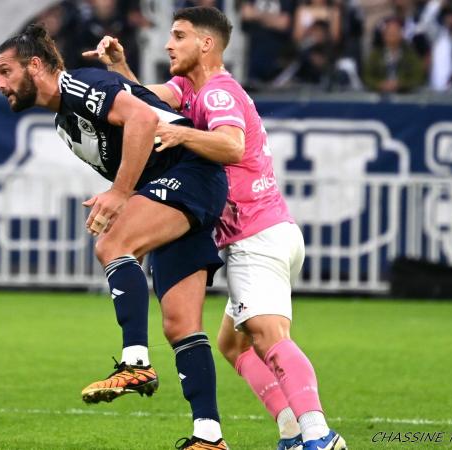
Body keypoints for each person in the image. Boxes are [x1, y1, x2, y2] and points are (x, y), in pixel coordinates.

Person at [83, 6, 347, 450]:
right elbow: (142, 102)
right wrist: (118, 68)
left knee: (266, 336)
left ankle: (320, 436)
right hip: (268, 231)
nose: (169, 44)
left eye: (179, 35)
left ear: (206, 44)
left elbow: (231, 144)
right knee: (235, 345)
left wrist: (184, 137)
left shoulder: (218, 93)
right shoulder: (190, 88)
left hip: (255, 235)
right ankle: (291, 432)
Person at [0, 24, 229, 450]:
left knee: (112, 244)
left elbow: (142, 117)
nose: (0, 84)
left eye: (5, 71)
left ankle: (135, 362)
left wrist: (121, 194)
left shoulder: (80, 83)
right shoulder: (65, 123)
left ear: (35, 65)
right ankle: (208, 436)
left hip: (191, 175)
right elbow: (147, 106)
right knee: (180, 324)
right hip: (177, 189)